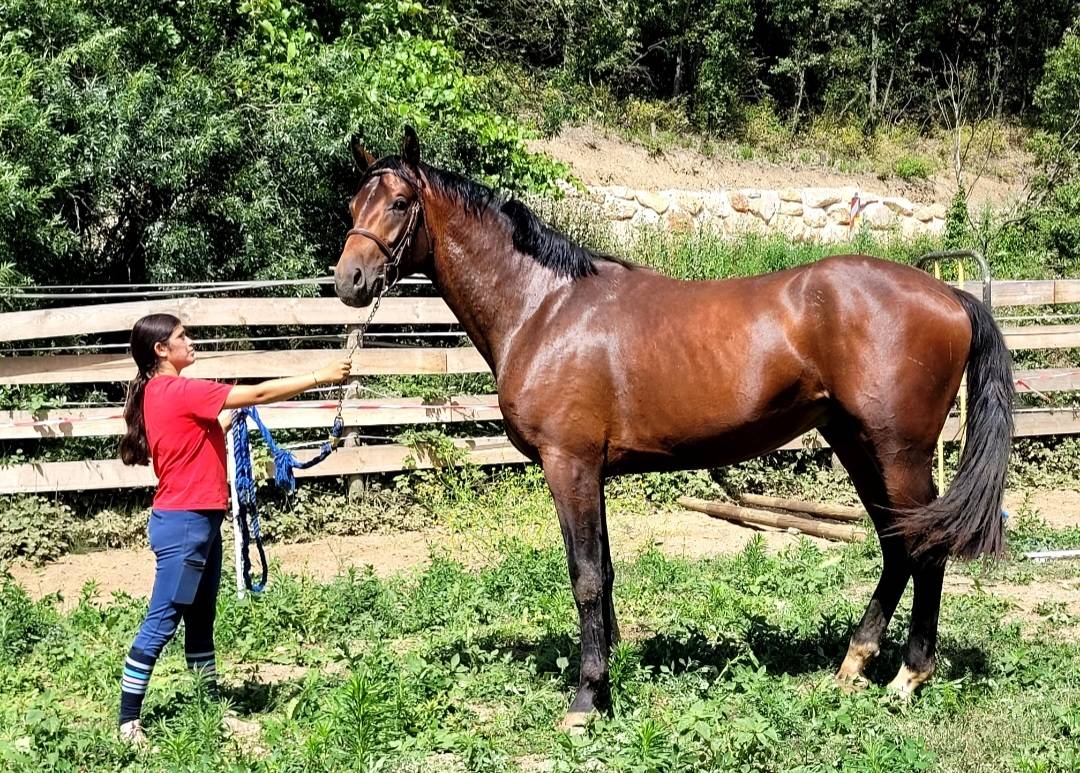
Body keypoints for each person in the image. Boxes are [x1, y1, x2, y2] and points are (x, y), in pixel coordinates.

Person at [116, 313, 352, 744]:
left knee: (200, 620)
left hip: (198, 521)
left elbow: (201, 433)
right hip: (186, 524)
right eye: (182, 337)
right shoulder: (179, 389)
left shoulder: (159, 393)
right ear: (161, 350)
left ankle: (208, 709)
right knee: (162, 621)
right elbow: (258, 392)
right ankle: (127, 722)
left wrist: (229, 420)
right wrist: (321, 375)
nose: (191, 341)